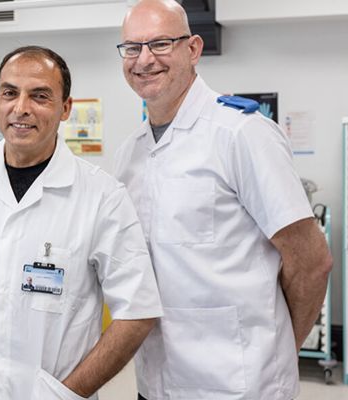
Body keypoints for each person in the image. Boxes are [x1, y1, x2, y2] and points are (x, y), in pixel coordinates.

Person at [0, 45, 163, 400]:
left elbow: (137, 312)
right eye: (9, 93)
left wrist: (68, 394)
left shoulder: (102, 197)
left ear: (65, 109)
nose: (21, 108)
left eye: (40, 96)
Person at [114, 1, 333, 399]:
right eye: (132, 47)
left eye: (161, 43)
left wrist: (281, 347)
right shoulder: (131, 153)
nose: (144, 59)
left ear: (193, 49)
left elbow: (312, 261)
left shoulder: (241, 133)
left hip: (239, 385)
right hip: (156, 382)